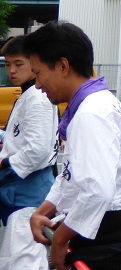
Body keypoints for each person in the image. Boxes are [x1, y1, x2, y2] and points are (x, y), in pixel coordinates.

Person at [24, 22, 121, 270]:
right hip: (110, 240)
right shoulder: (99, 102)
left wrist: (59, 240)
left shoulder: (91, 113)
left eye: (38, 74)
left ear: (62, 66)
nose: (37, 85)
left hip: (105, 247)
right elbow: (74, 175)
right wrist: (44, 211)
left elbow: (97, 191)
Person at [0, 35, 59, 270]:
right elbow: (20, 139)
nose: (12, 70)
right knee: (15, 260)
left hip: (29, 195)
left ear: (34, 62)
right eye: (7, 64)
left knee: (24, 263)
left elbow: (37, 150)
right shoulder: (28, 95)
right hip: (20, 194)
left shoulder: (37, 98)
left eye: (19, 63)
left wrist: (3, 163)